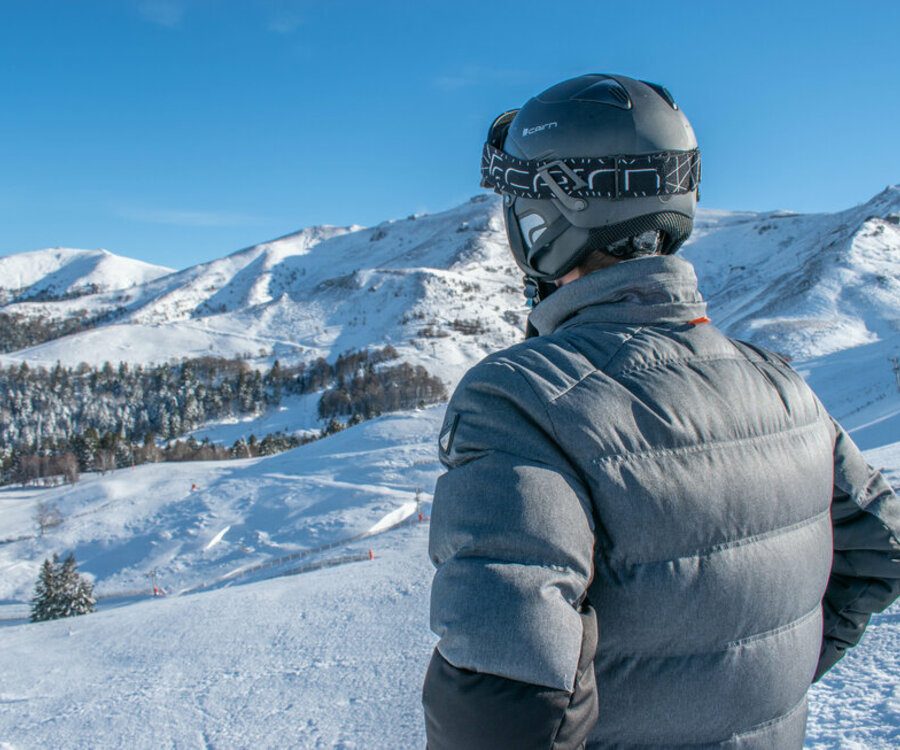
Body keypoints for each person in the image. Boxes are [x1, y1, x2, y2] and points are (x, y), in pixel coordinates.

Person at [422, 74, 900, 749]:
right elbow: (880, 544)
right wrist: (761, 685)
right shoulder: (784, 386)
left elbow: (504, 700)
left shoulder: (521, 400)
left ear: (544, 217)